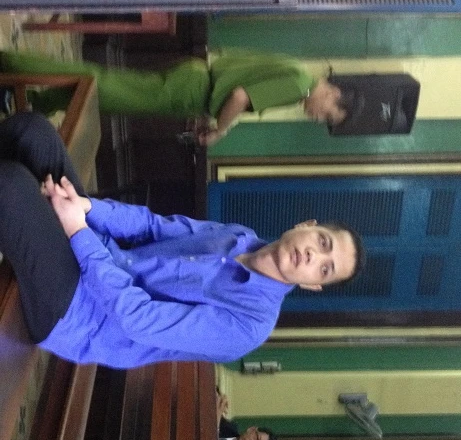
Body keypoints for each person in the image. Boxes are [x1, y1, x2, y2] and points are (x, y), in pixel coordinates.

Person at [0, 112, 365, 369]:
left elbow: (138, 319)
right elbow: (152, 226)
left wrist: (78, 232)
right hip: (103, 254)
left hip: (84, 315)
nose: (313, 256)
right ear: (306, 225)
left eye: (325, 268)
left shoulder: (250, 326)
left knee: (12, 187)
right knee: (31, 133)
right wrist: (87, 208)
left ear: (313, 285)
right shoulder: (240, 237)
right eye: (323, 242)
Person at [0, 49, 360, 145]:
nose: (318, 118)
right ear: (333, 92)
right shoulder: (298, 86)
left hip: (195, 83)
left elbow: (234, 83)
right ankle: (12, 65)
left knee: (105, 92)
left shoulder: (298, 71)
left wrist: (211, 115)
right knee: (101, 87)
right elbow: (238, 96)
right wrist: (220, 130)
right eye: (327, 114)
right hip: (192, 90)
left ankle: (31, 99)